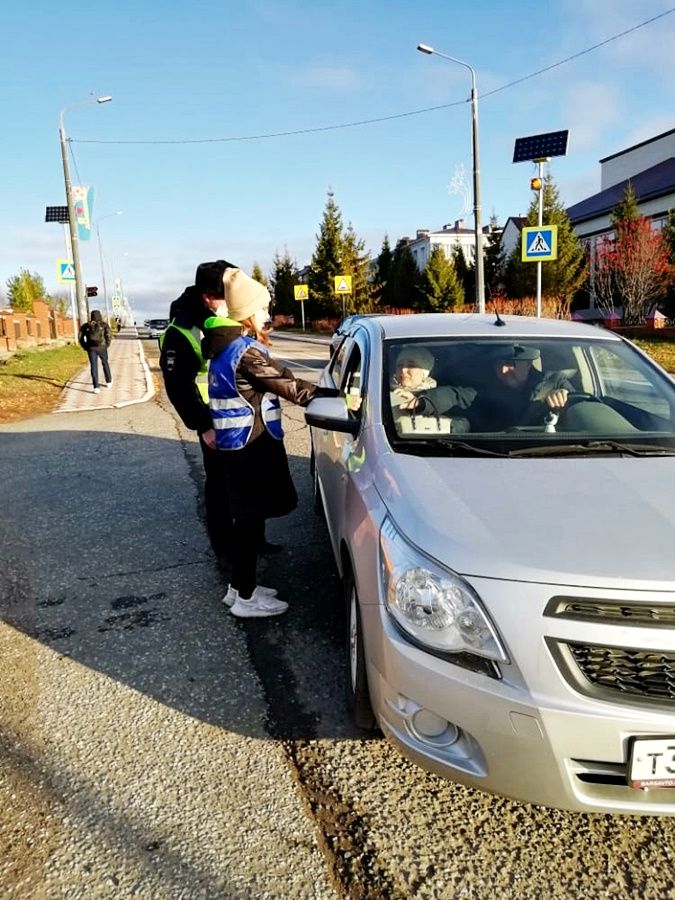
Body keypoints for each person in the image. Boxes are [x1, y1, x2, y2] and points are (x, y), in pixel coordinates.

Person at [202, 267, 337, 618]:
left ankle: (238, 588)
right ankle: (246, 598)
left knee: (247, 519)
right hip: (250, 445)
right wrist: (337, 398)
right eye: (262, 308)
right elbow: (287, 386)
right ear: (247, 313)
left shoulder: (226, 347)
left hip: (237, 445)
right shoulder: (245, 353)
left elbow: (279, 378)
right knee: (248, 522)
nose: (267, 314)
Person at [467, 344, 573, 431]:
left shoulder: (555, 382)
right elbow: (470, 419)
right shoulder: (486, 391)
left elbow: (581, 412)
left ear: (528, 364)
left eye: (511, 363)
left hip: (551, 451)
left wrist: (563, 400)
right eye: (499, 364)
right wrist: (453, 425)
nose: (504, 370)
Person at [390, 346, 476, 428]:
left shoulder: (443, 396)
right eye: (400, 365)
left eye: (411, 365)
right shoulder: (382, 391)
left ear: (425, 372)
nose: (403, 370)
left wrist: (419, 403)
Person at [78, 309, 112, 394]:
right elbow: (108, 335)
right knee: (105, 363)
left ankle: (96, 387)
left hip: (91, 348)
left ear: (91, 316)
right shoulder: (104, 325)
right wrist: (106, 345)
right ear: (100, 315)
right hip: (102, 347)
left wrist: (85, 346)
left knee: (94, 367)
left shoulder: (86, 326)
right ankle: (108, 381)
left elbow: (80, 337)